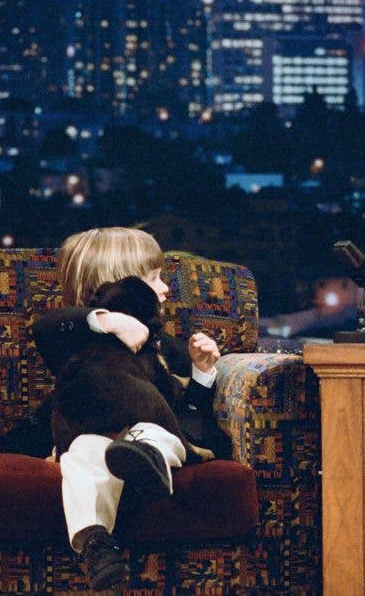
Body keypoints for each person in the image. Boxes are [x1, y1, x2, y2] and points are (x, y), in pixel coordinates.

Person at [31, 227, 228, 589]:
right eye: (153, 278)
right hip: (94, 439)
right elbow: (45, 328)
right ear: (119, 283)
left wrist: (202, 373)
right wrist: (109, 319)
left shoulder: (161, 346)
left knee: (155, 435)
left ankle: (144, 463)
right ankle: (97, 546)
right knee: (81, 454)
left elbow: (185, 415)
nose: (167, 288)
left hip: (152, 432)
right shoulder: (77, 338)